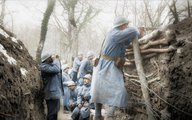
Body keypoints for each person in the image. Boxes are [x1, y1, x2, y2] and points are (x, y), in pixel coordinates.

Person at [90, 16, 140, 120]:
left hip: (106, 65)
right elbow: (134, 31)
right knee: (118, 90)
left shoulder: (115, 33)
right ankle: (108, 115)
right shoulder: (116, 33)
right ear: (122, 25)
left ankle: (99, 115)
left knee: (99, 90)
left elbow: (126, 42)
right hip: (108, 65)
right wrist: (137, 30)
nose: (127, 26)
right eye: (126, 25)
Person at [40, 53, 64, 120]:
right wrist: (56, 59)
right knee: (51, 113)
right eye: (50, 57)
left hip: (55, 94)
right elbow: (57, 69)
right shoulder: (44, 66)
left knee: (55, 112)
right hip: (51, 94)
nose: (52, 58)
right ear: (47, 59)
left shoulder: (49, 65)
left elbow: (59, 69)